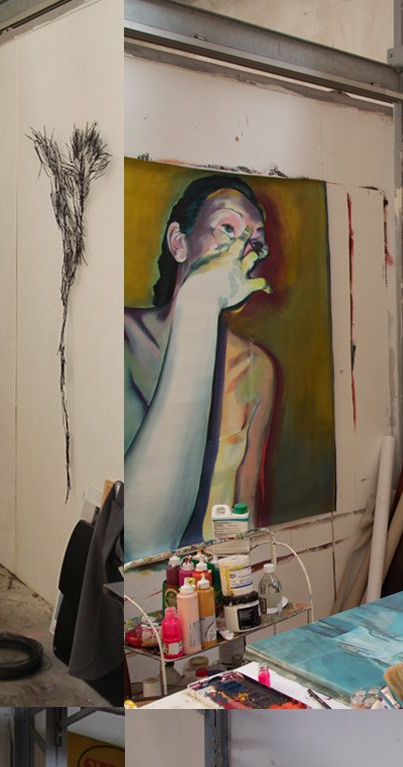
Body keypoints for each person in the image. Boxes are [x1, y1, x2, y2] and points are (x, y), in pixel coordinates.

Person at [124, 175, 278, 561]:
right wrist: (198, 303)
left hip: (212, 575)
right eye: (227, 229)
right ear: (179, 243)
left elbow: (245, 503)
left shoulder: (256, 369)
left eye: (255, 243)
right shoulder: (120, 338)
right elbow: (138, 536)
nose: (243, 250)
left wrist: (241, 574)